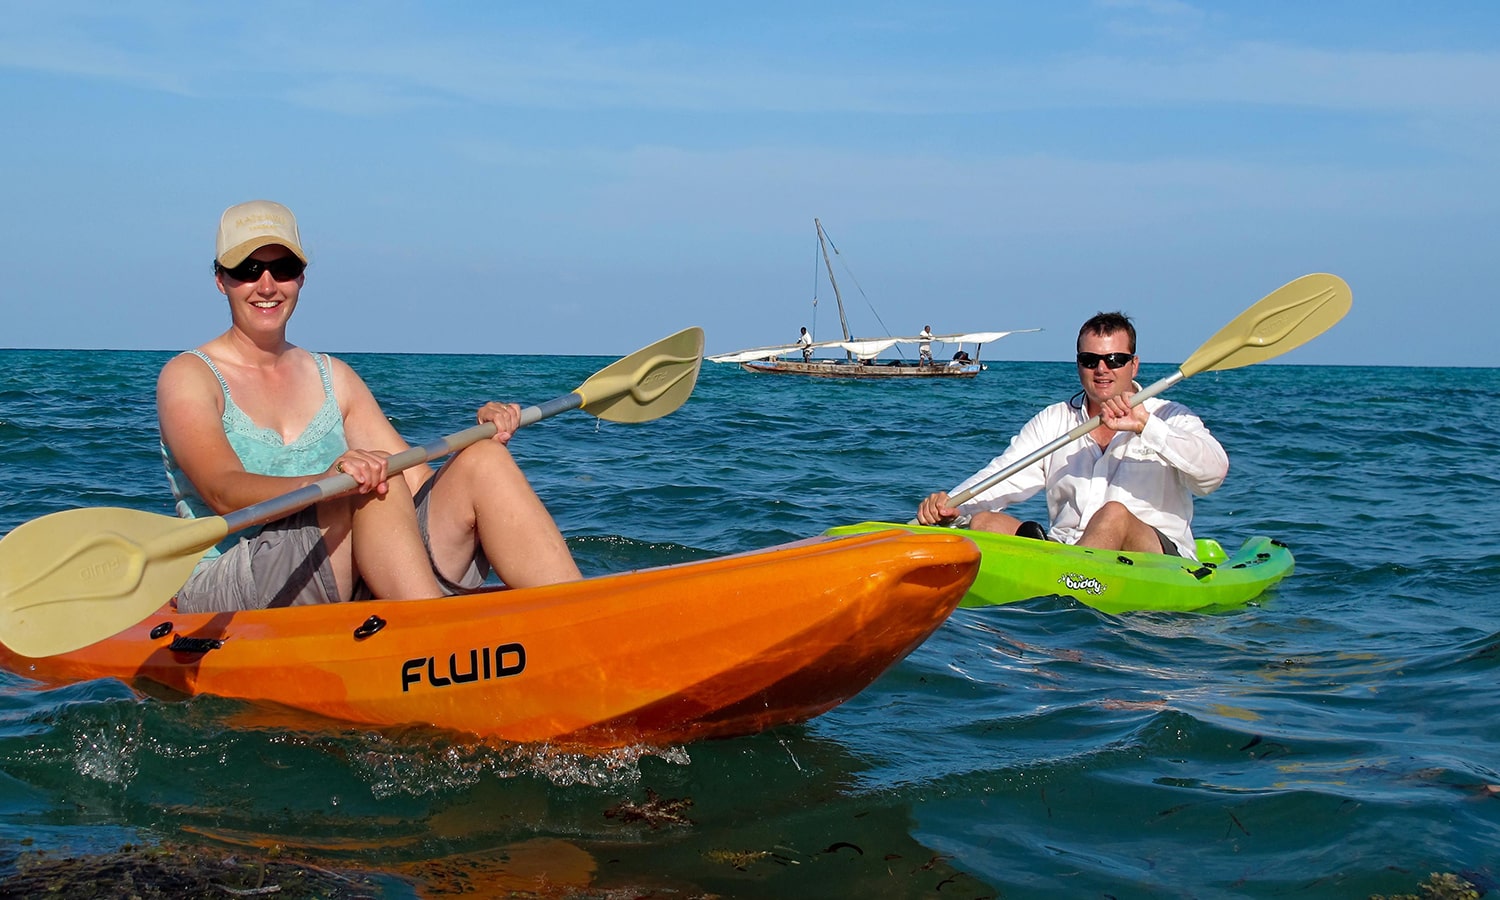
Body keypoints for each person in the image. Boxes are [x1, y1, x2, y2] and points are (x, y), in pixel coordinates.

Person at [157, 200, 582, 612]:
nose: (266, 286)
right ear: (220, 279)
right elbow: (222, 490)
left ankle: (581, 616)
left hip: (340, 566)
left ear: (301, 278)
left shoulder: (335, 377)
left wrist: (485, 435)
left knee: (480, 460)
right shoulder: (189, 376)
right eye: (247, 270)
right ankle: (431, 638)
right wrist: (326, 482)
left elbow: (415, 480)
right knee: (364, 480)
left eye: (283, 269)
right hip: (232, 577)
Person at [917, 311, 1227, 560]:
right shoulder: (1054, 420)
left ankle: (1068, 587)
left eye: (1115, 360)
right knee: (985, 522)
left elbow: (1212, 475)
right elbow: (1001, 475)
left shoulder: (1169, 415)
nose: (1102, 369)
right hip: (1067, 551)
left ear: (1133, 366)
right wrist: (951, 507)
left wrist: (1146, 426)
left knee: (1114, 515)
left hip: (1156, 559)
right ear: (1078, 364)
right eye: (1090, 360)